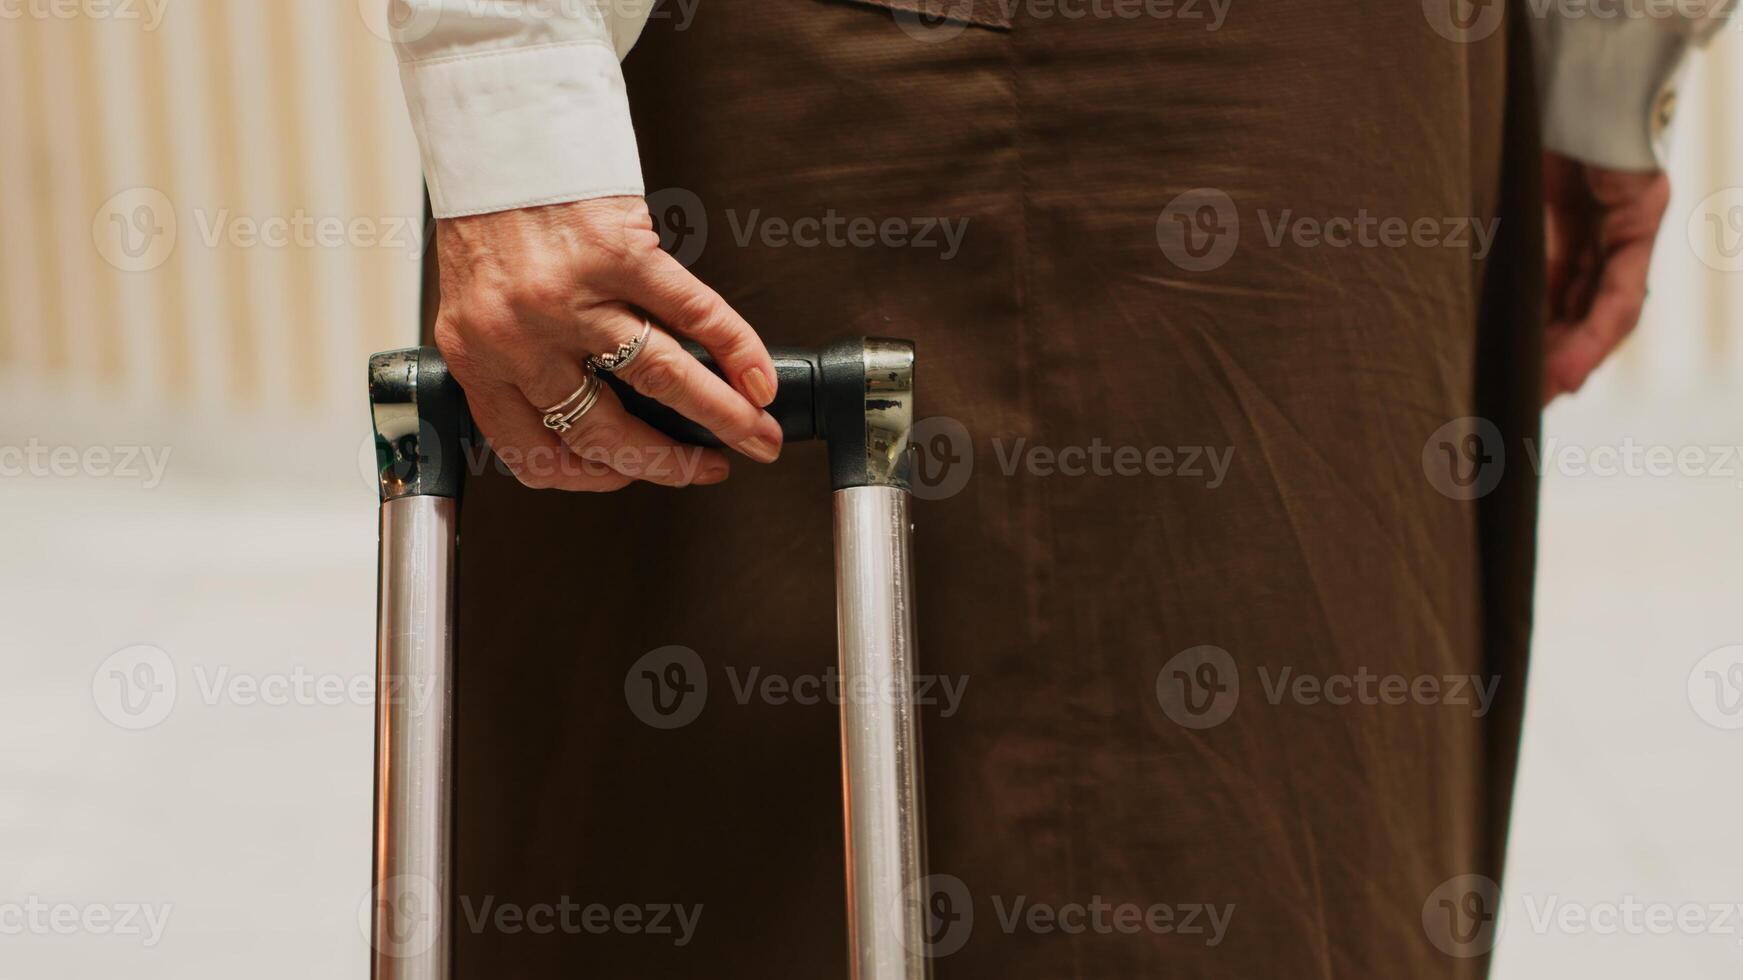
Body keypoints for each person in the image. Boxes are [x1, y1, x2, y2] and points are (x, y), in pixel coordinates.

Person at [387, 0, 1732, 974]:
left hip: (1341, 88)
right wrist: (507, 84)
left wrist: (1608, 56)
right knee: (742, 882)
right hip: (832, 79)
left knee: (1294, 877)